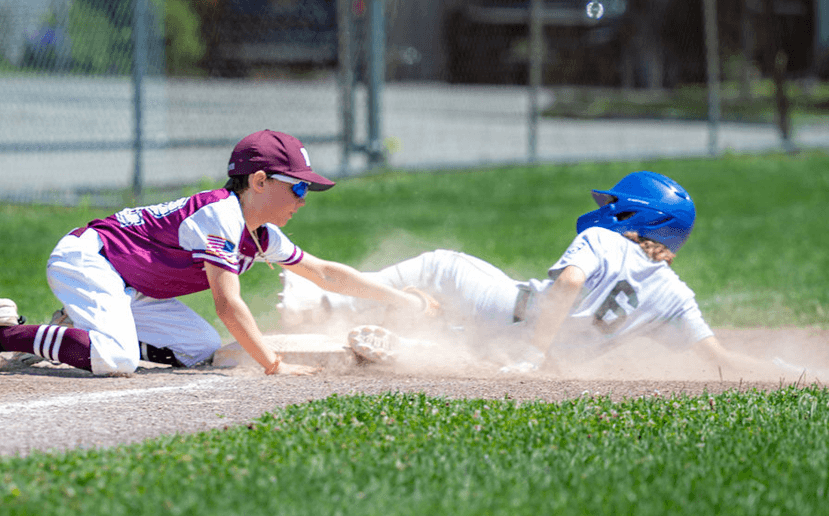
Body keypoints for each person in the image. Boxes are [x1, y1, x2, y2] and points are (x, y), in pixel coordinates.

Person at [0, 130, 429, 376]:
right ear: (258, 181)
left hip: (132, 284)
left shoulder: (257, 233)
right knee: (117, 359)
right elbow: (228, 304)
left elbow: (327, 275)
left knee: (200, 351)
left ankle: (73, 328)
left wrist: (403, 302)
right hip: (90, 259)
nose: (303, 200)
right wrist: (273, 364)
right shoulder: (220, 215)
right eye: (297, 189)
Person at [278, 171, 769, 376]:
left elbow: (571, 282)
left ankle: (317, 304)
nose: (605, 211)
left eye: (614, 205)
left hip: (515, 322)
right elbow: (720, 357)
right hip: (530, 354)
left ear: (633, 218)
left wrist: (534, 348)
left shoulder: (603, 239)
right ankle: (421, 344)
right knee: (463, 339)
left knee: (440, 266)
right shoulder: (674, 295)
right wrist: (800, 377)